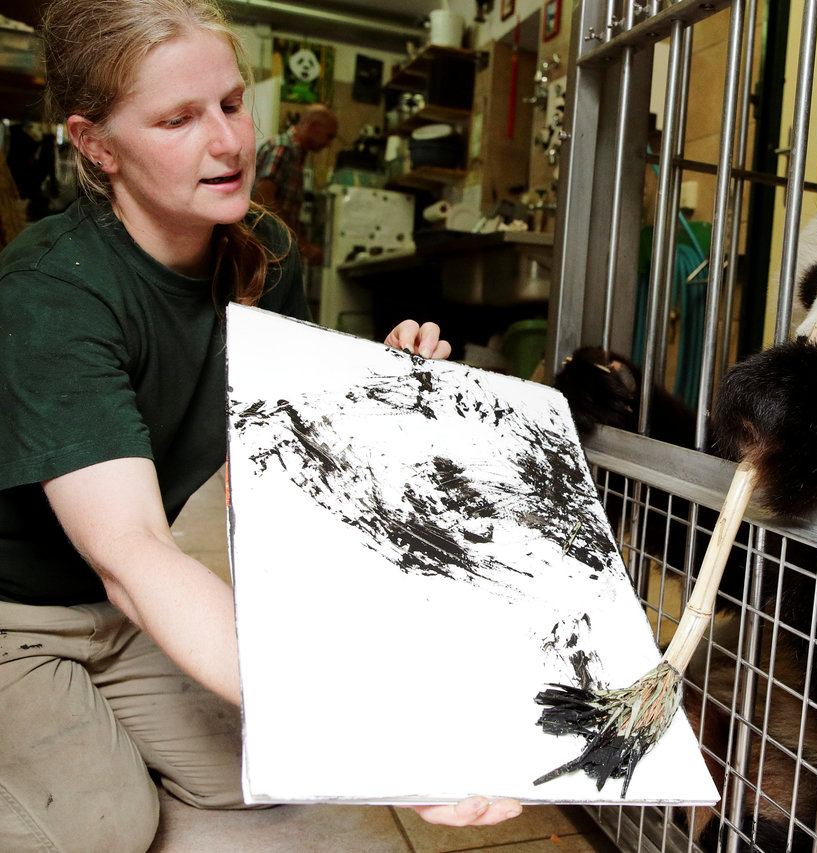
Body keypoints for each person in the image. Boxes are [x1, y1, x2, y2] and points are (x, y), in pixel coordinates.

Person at [0, 2, 520, 851]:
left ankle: (87, 723)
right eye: (178, 119)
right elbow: (133, 552)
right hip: (16, 612)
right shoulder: (52, 292)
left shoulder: (260, 250)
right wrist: (373, 733)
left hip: (114, 613)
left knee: (274, 770)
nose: (228, 142)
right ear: (96, 144)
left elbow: (282, 466)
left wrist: (380, 400)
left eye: (232, 104)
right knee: (107, 826)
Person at [253, 103, 339, 265]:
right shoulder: (283, 148)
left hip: (273, 248)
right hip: (264, 249)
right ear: (311, 125)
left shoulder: (296, 154)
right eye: (329, 136)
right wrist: (303, 244)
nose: (329, 144)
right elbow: (262, 197)